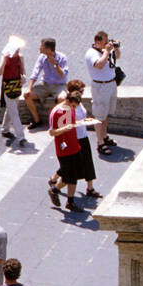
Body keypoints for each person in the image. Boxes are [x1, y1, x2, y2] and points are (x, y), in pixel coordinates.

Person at [48, 82, 86, 212]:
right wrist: (64, 129)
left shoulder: (72, 109)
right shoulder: (56, 112)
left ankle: (67, 199)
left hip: (75, 146)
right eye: (73, 106)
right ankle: (57, 192)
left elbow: (74, 123)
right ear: (67, 100)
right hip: (64, 149)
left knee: (73, 176)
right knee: (69, 176)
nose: (74, 109)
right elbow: (52, 132)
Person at [85, 30, 119, 155]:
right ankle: (100, 142)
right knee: (99, 115)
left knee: (106, 113)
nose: (107, 42)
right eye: (105, 40)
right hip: (100, 86)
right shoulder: (91, 53)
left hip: (110, 84)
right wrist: (107, 52)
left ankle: (104, 136)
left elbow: (117, 58)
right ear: (98, 41)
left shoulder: (106, 51)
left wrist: (116, 49)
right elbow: (99, 65)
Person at [23, 38, 68, 130]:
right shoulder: (42, 58)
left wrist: (55, 64)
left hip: (59, 85)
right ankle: (37, 120)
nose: (39, 48)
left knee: (62, 98)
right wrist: (29, 88)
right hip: (45, 84)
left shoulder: (62, 58)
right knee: (27, 96)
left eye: (41, 46)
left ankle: (59, 122)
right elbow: (35, 73)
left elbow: (63, 75)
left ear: (48, 49)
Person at [68, 79, 100, 199]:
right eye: (81, 91)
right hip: (75, 138)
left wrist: (86, 120)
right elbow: (69, 124)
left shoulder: (79, 103)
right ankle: (55, 179)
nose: (82, 93)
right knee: (72, 165)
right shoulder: (71, 106)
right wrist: (82, 122)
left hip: (83, 136)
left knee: (88, 162)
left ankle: (90, 188)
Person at [0, 38, 26, 147]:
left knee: (11, 109)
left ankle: (4, 129)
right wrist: (4, 60)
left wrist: (23, 77)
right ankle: (21, 136)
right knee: (14, 112)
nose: (18, 52)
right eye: (17, 50)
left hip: (17, 86)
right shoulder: (5, 58)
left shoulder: (20, 57)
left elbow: (23, 71)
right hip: (8, 87)